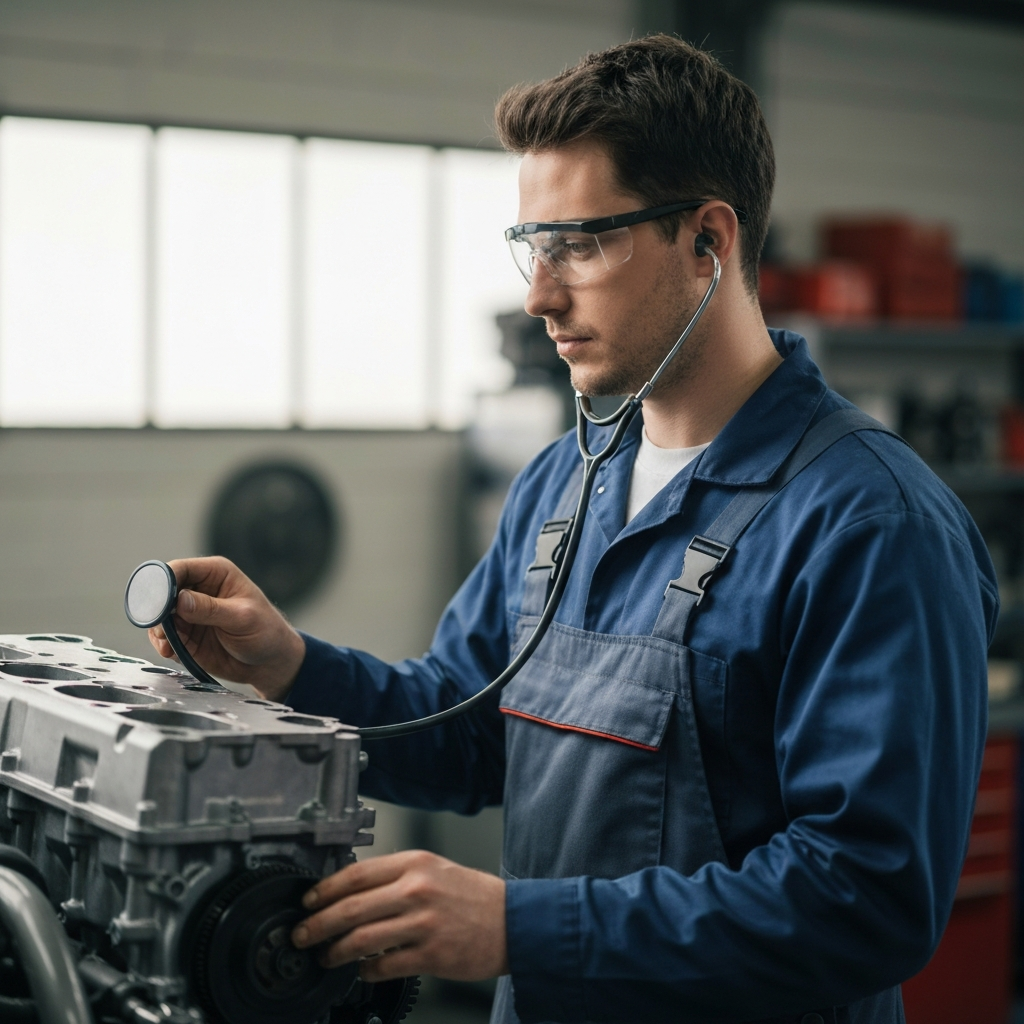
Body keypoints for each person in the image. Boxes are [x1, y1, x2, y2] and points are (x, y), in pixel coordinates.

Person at [149, 36, 997, 1024]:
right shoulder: (567, 480)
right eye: (532, 246)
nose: (538, 295)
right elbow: (466, 730)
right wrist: (288, 666)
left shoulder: (868, 523)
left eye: (579, 245)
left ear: (706, 242)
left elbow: (867, 898)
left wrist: (518, 929)